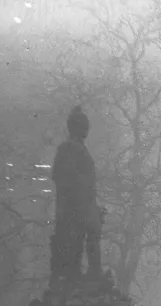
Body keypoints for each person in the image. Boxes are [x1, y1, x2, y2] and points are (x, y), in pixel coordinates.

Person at [50, 105, 102, 287]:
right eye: (83, 125)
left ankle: (92, 273)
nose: (86, 129)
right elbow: (61, 174)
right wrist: (83, 185)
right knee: (77, 238)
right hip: (75, 203)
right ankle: (79, 274)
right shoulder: (68, 148)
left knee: (91, 233)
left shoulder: (78, 148)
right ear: (76, 127)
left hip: (85, 200)